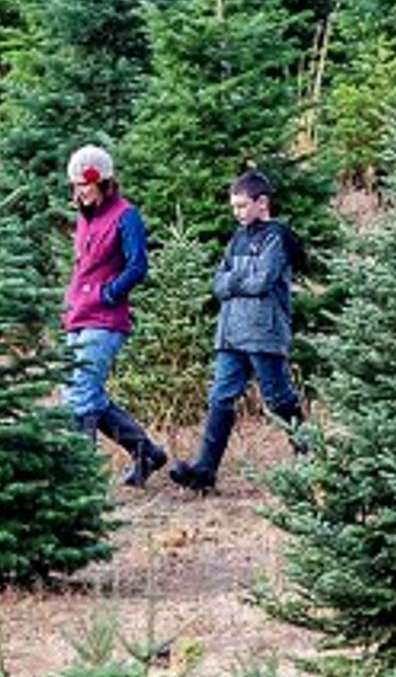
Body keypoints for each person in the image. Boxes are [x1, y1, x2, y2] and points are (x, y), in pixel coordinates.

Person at [173, 165, 303, 495]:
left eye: (242, 205)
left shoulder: (277, 236)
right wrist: (233, 282)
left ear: (262, 203)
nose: (237, 212)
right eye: (233, 207)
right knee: (220, 397)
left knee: (277, 398)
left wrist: (233, 282)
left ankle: (310, 460)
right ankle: (204, 470)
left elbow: (263, 280)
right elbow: (218, 283)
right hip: (230, 332)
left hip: (263, 332)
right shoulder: (237, 238)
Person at [61, 144, 167, 485]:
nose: (80, 192)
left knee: (80, 394)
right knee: (83, 393)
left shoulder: (126, 215)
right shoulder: (83, 217)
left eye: (85, 185)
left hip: (104, 320)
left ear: (104, 182)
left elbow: (138, 265)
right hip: (76, 315)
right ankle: (146, 453)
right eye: (75, 186)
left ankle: (80, 481)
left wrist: (109, 293)